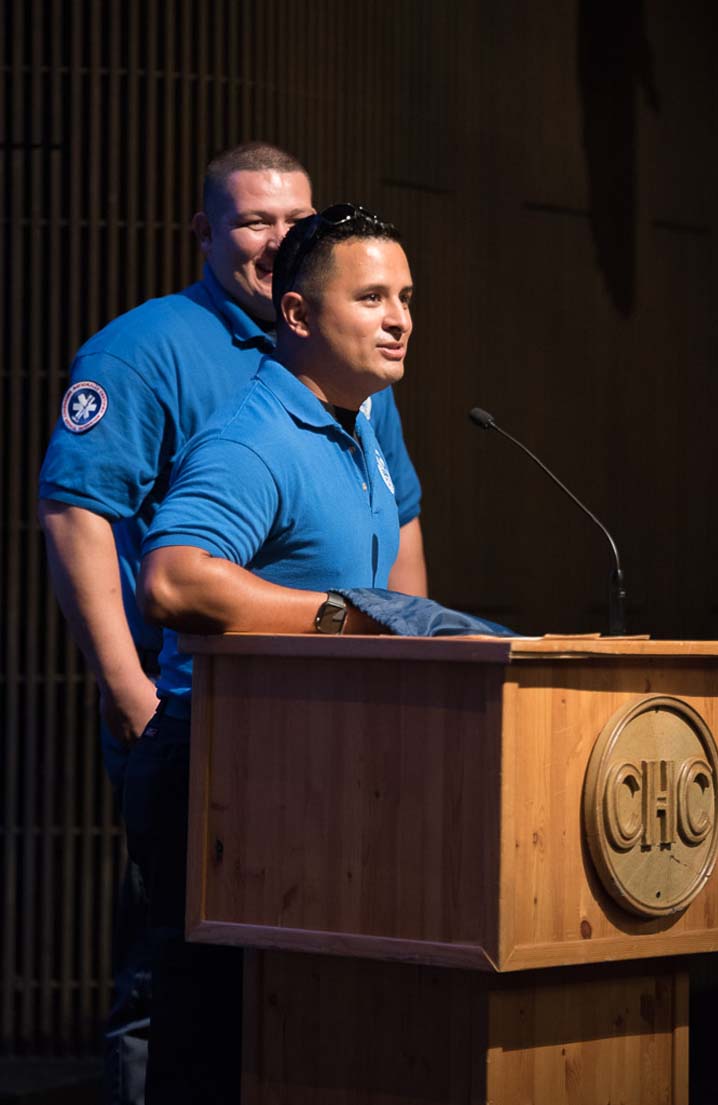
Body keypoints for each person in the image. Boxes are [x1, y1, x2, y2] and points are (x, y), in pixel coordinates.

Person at [37, 143, 426, 1103]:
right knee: (173, 991)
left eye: (298, 219)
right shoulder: (155, 353)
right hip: (202, 715)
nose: (282, 238)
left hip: (319, 733)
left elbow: (398, 524)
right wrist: (129, 689)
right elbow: (86, 519)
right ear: (205, 234)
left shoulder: (349, 374)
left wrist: (420, 658)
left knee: (269, 990)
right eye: (256, 221)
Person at [130, 205, 414, 1103]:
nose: (400, 318)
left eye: (406, 296)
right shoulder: (256, 436)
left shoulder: (358, 420)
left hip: (307, 771)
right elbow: (174, 580)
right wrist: (344, 617)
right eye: (371, 297)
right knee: (215, 1045)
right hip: (220, 766)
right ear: (297, 315)